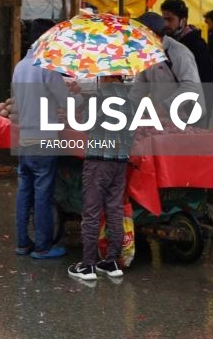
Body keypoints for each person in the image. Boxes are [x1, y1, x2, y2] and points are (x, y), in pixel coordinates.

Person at [11, 47, 77, 259]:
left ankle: (22, 243)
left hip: (24, 139)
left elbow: (17, 102)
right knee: (43, 194)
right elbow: (66, 101)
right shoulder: (47, 67)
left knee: (24, 192)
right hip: (44, 139)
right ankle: (43, 247)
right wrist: (83, 100)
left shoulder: (19, 66)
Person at [68, 76, 132, 282]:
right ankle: (112, 261)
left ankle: (88, 266)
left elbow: (87, 125)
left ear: (105, 76)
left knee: (92, 211)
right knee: (115, 209)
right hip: (120, 161)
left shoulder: (99, 97)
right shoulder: (129, 100)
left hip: (99, 160)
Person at [130, 12, 205, 118]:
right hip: (164, 117)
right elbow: (140, 87)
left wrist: (165, 107)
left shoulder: (179, 52)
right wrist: (129, 107)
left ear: (152, 33)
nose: (135, 35)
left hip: (188, 116)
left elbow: (191, 86)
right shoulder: (145, 53)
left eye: (139, 32)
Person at [161, 0, 213, 84]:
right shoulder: (166, 42)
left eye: (170, 19)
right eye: (164, 19)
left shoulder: (196, 45)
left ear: (183, 21)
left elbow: (207, 78)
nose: (166, 24)